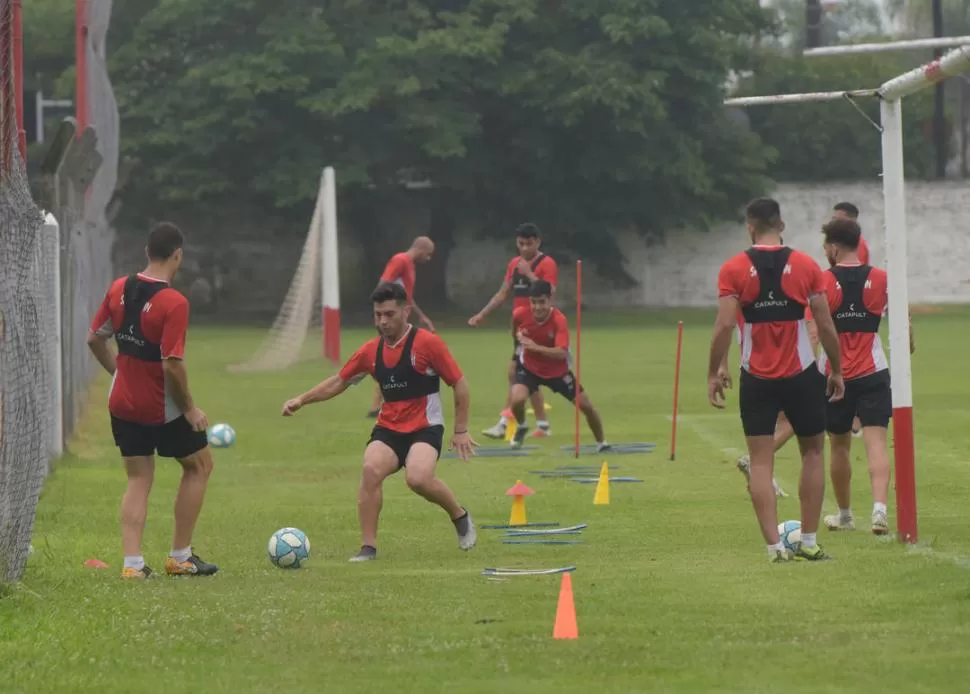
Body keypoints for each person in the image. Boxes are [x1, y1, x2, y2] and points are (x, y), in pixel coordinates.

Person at [282, 282, 478, 562]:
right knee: (371, 470)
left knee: (418, 478)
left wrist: (461, 430)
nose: (383, 321)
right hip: (389, 428)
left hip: (425, 426)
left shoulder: (427, 344)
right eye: (378, 315)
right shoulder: (370, 351)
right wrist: (302, 399)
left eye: (389, 314)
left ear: (405, 311)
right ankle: (368, 548)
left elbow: (459, 384)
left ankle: (459, 515)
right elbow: (340, 381)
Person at [708, 197, 845, 563]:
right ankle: (810, 541)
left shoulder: (733, 269)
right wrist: (837, 368)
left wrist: (714, 369)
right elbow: (826, 323)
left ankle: (774, 548)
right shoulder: (806, 266)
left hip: (756, 378)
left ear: (750, 225)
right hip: (801, 376)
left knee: (761, 460)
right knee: (814, 452)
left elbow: (723, 325)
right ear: (781, 225)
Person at [86, 222, 218, 579]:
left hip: (123, 402)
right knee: (200, 466)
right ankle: (180, 556)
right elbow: (172, 365)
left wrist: (118, 374)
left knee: (138, 478)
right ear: (178, 254)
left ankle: (132, 565)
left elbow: (95, 339)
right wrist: (189, 408)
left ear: (147, 252)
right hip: (160, 405)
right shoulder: (174, 303)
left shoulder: (119, 288)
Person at [735, 200, 868, 489]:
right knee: (804, 419)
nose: (826, 242)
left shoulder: (849, 254)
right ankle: (759, 459)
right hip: (812, 328)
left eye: (837, 221)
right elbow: (822, 316)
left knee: (801, 418)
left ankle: (760, 461)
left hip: (818, 322)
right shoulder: (817, 271)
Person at [816, 217, 914, 535]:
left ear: (832, 246)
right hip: (874, 371)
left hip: (836, 375)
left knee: (839, 447)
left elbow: (813, 330)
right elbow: (904, 326)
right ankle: (879, 510)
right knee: (876, 445)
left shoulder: (823, 281)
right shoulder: (882, 278)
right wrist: (908, 342)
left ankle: (845, 516)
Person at [469, 223, 559, 440]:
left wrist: (530, 274)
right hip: (518, 327)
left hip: (537, 326)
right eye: (521, 244)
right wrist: (482, 314)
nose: (525, 248)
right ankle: (543, 426)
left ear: (538, 242)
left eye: (529, 243)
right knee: (529, 377)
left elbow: (550, 293)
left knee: (515, 373)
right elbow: (503, 293)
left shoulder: (546, 263)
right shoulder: (513, 264)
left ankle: (504, 424)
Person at [506, 281, 610, 452]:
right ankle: (522, 426)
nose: (537, 307)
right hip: (529, 367)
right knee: (517, 400)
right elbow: (515, 332)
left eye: (542, 302)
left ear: (550, 300)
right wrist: (518, 349)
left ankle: (602, 443)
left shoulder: (559, 320)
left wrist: (534, 346)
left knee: (586, 406)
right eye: (533, 302)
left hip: (557, 371)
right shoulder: (520, 314)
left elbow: (561, 353)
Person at [366, 237, 437, 418]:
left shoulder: (410, 266)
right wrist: (381, 314)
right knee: (390, 359)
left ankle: (379, 405)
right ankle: (382, 405)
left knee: (393, 359)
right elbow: (383, 284)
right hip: (391, 322)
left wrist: (423, 317)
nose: (428, 259)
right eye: (428, 255)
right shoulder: (400, 260)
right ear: (421, 249)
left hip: (400, 322)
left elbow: (408, 299)